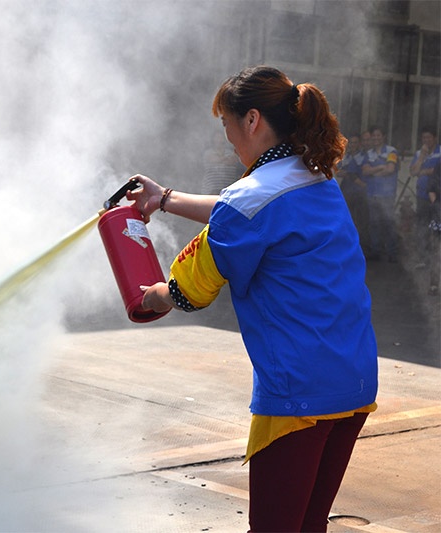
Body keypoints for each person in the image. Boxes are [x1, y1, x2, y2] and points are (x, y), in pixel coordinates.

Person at [126, 66, 378, 532]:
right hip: (354, 379)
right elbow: (240, 210)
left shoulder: (252, 199)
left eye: (226, 124)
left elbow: (188, 290)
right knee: (310, 525)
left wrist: (148, 297)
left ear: (252, 119)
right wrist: (165, 199)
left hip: (299, 393)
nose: (227, 139)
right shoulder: (315, 178)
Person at [361, 126, 400, 262]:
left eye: (378, 135)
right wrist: (379, 167)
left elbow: (390, 169)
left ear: (384, 136)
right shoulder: (368, 153)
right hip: (372, 193)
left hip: (387, 194)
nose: (376, 138)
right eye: (373, 136)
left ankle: (392, 252)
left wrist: (374, 173)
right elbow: (365, 171)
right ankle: (375, 251)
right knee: (374, 224)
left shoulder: (391, 151)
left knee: (389, 223)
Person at [409, 128, 441, 268]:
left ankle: (437, 258)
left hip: (437, 197)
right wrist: (422, 157)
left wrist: (424, 171)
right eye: (424, 138)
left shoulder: (440, 152)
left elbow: (436, 172)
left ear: (435, 138)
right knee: (422, 226)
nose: (426, 141)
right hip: (422, 195)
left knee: (437, 228)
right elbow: (413, 171)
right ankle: (423, 257)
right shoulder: (418, 154)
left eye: (429, 137)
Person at [336, 132, 369, 244]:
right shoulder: (345, 157)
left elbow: (362, 174)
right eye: (351, 143)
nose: (352, 145)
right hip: (346, 192)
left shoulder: (364, 156)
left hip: (360, 193)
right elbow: (338, 171)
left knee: (360, 221)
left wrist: (349, 174)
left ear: (359, 144)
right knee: (346, 219)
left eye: (355, 143)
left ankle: (362, 245)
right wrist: (348, 174)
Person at [202, 130, 245, 194]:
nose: (219, 140)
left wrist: (220, 160)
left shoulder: (231, 153)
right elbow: (214, 159)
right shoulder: (208, 153)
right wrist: (225, 159)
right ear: (213, 140)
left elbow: (232, 161)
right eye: (217, 138)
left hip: (229, 187)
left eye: (220, 138)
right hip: (212, 188)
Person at [427, 163, 440, 296]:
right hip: (439, 217)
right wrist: (436, 207)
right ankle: (434, 284)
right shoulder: (439, 167)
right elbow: (431, 189)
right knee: (436, 251)